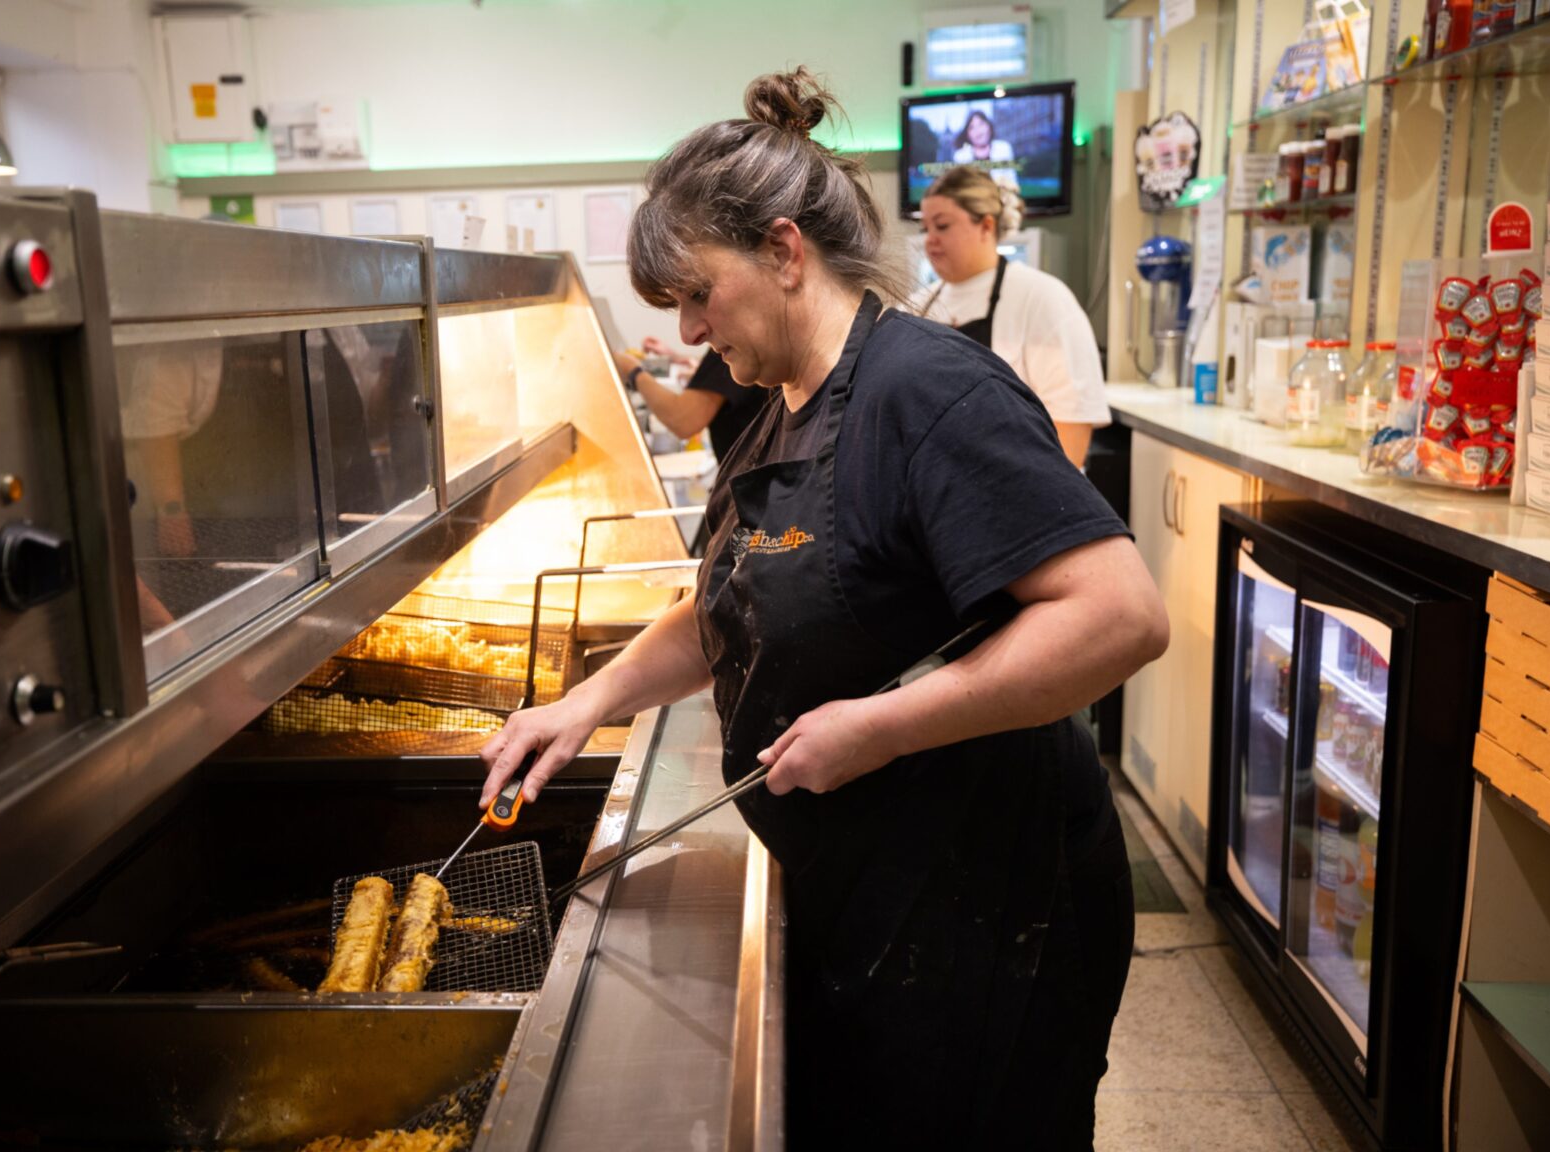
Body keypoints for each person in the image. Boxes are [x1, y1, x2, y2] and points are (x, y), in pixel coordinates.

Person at [478, 67, 1166, 1149]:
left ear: (785, 252)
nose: (698, 330)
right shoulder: (775, 408)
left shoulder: (929, 393)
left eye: (701, 295)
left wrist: (881, 725)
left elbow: (1121, 615)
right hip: (876, 883)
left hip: (988, 899)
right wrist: (588, 702)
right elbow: (725, 603)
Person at [913, 165, 1110, 468]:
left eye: (942, 226)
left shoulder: (1042, 299)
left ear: (986, 226)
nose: (930, 240)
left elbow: (1072, 427)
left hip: (1017, 494)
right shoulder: (915, 306)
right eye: (925, 228)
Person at [613, 341, 767, 464]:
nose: (687, 334)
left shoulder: (736, 341)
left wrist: (633, 371)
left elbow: (682, 420)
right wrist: (678, 359)